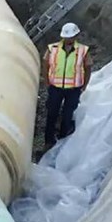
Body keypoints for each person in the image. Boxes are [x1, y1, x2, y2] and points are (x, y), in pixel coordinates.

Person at [42, 22, 92, 151]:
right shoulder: (52, 48)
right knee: (51, 114)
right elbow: (45, 63)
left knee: (67, 114)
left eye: (72, 37)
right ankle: (48, 141)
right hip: (55, 88)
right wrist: (47, 81)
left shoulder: (83, 50)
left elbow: (88, 67)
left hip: (73, 90)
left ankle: (63, 139)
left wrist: (84, 85)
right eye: (67, 37)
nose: (69, 39)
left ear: (76, 36)